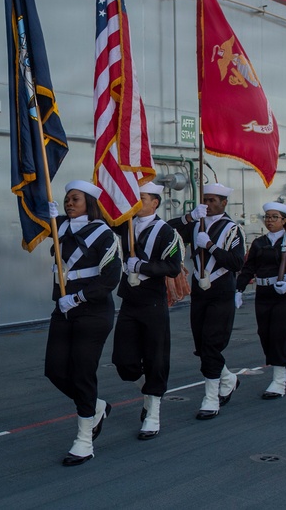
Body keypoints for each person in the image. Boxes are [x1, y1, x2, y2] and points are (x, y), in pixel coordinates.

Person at [45, 180, 123, 466]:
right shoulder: (60, 227)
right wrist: (47, 217)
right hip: (63, 310)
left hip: (93, 311)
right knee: (54, 370)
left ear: (89, 203)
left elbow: (110, 278)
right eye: (67, 199)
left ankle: (84, 439)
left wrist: (78, 298)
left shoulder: (105, 234)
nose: (69, 203)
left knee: (82, 372)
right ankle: (95, 406)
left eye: (75, 199)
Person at [112, 182, 183, 439]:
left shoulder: (166, 232)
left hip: (153, 302)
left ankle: (153, 410)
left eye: (141, 198)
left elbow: (173, 267)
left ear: (155, 202)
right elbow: (105, 218)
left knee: (155, 358)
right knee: (123, 361)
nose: (136, 202)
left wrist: (142, 266)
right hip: (129, 302)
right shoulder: (125, 224)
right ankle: (148, 390)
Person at [168, 182, 246, 419]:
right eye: (205, 200)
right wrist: (189, 217)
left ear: (224, 203)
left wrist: (210, 246)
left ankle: (211, 398)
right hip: (200, 292)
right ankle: (228, 378)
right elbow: (167, 233)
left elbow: (236, 262)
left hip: (221, 290)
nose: (208, 204)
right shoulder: (196, 224)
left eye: (213, 200)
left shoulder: (232, 229)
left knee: (212, 344)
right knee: (202, 346)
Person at [236, 201, 286, 400]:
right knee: (265, 334)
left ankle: (278, 380)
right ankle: (285, 367)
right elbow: (249, 268)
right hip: (264, 293)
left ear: (284, 220)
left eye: (275, 217)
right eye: (267, 217)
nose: (270, 221)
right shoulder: (259, 243)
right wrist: (239, 289)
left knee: (281, 333)